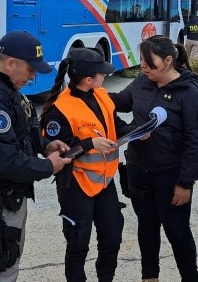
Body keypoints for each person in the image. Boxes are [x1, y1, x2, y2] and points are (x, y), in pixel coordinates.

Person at [0, 31, 72, 281]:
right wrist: (47, 166)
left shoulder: (5, 88)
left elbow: (18, 132)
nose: (32, 76)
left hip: (8, 197)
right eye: (30, 69)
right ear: (10, 63)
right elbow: (6, 161)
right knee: (1, 269)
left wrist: (45, 145)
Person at [109, 35, 198, 282]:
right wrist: (91, 93)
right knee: (146, 226)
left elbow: (196, 143)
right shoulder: (142, 82)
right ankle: (149, 277)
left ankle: (190, 278)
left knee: (177, 232)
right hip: (137, 171)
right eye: (141, 60)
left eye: (147, 61)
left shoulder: (191, 94)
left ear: (167, 61)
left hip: (170, 176)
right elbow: (119, 102)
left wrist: (185, 183)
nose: (142, 66)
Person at [40, 47, 129, 282]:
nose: (106, 76)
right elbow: (59, 150)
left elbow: (115, 123)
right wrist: (89, 143)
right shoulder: (60, 108)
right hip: (76, 185)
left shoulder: (101, 95)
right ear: (88, 80)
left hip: (104, 182)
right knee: (78, 243)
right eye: (102, 73)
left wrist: (135, 132)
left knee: (112, 239)